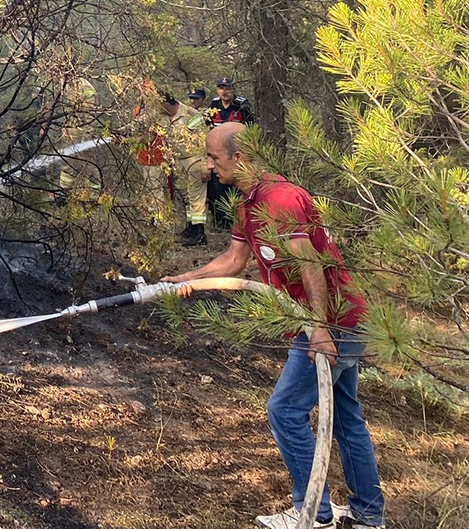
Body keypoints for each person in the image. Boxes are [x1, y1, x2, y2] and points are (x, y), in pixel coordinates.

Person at [163, 123, 385, 529]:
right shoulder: (250, 202)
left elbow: (309, 265)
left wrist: (319, 332)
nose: (209, 166)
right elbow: (233, 261)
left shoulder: (279, 199)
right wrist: (188, 278)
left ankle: (313, 514)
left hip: (332, 323)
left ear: (241, 158)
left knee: (284, 411)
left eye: (214, 158)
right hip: (332, 321)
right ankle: (369, 514)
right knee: (346, 416)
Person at [207, 77, 253, 231]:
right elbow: (206, 127)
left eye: (227, 88)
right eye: (221, 88)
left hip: (236, 152)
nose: (224, 92)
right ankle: (221, 221)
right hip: (218, 152)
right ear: (217, 90)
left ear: (233, 90)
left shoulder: (241, 105)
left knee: (236, 186)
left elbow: (251, 127)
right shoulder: (214, 105)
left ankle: (238, 220)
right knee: (217, 187)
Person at [166, 91, 210, 246]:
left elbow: (205, 140)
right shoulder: (165, 117)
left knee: (196, 198)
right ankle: (191, 228)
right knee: (187, 197)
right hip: (179, 162)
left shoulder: (191, 114)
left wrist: (206, 166)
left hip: (194, 160)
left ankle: (200, 234)